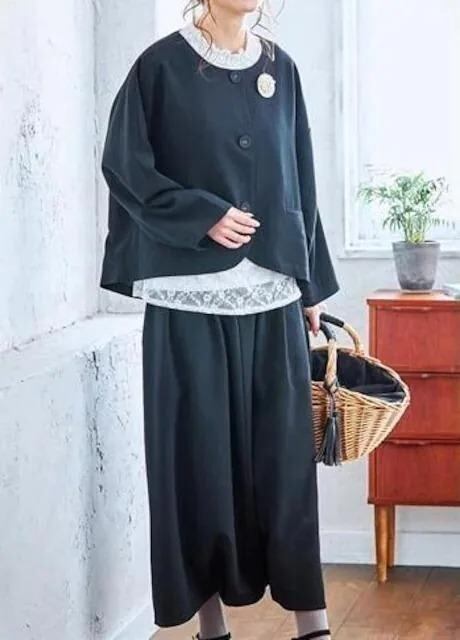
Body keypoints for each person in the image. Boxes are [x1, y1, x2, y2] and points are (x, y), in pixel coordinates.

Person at [99, 1, 340, 639]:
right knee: (196, 463)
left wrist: (311, 284)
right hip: (188, 300)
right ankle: (212, 629)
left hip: (274, 294)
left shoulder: (281, 69)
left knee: (286, 468)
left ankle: (312, 625)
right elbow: (125, 165)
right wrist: (199, 215)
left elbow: (301, 178)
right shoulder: (159, 67)